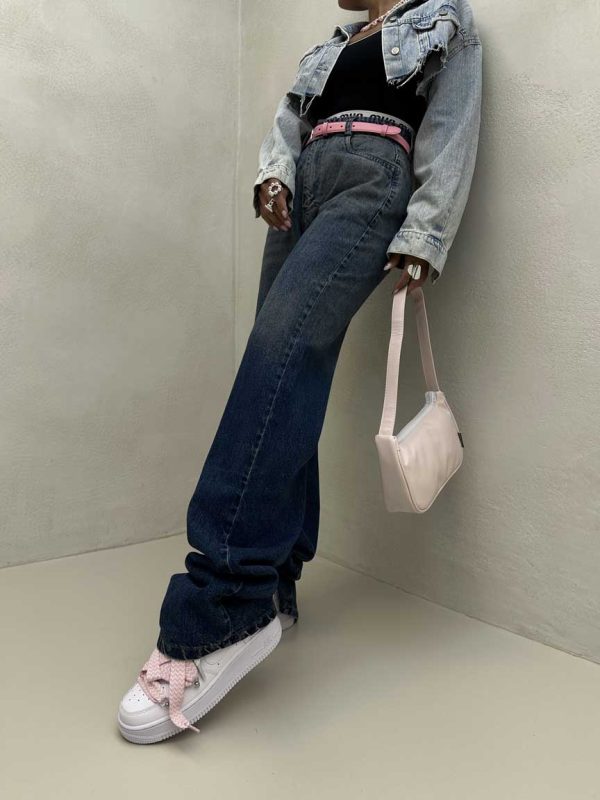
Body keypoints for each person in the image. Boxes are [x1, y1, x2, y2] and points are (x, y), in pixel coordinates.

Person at [117, 0, 483, 744]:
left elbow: (453, 126)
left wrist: (426, 233)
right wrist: (273, 177)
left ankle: (223, 606)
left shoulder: (444, 18)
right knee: (284, 380)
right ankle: (276, 582)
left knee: (277, 357)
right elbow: (290, 125)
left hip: (372, 182)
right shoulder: (330, 46)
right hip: (299, 202)